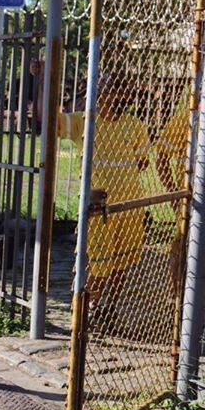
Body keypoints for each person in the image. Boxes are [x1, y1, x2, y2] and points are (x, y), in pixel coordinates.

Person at [58, 90, 149, 324]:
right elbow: (49, 121)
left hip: (129, 205)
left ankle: (107, 309)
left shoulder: (135, 125)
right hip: (97, 208)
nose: (104, 96)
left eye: (112, 90)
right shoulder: (84, 120)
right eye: (102, 90)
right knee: (99, 263)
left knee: (122, 263)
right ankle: (85, 310)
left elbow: (143, 162)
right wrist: (42, 83)